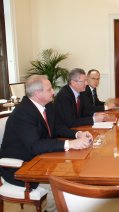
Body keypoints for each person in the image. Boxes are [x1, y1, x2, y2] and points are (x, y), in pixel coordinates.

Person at [0, 75, 92, 211]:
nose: (53, 92)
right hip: (21, 168)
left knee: (77, 174)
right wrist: (70, 144)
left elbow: (56, 128)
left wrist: (77, 134)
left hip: (42, 160)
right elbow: (35, 145)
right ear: (37, 94)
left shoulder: (47, 105)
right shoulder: (23, 113)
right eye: (49, 90)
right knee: (64, 187)